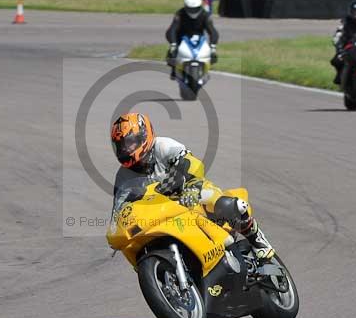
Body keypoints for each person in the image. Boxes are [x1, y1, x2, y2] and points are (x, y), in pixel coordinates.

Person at [110, 112, 275, 262]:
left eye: (130, 142)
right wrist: (116, 232)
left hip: (188, 191)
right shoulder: (123, 176)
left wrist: (191, 187)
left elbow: (191, 164)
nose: (126, 149)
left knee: (221, 202)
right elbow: (120, 209)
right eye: (121, 145)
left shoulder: (164, 146)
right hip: (161, 211)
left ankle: (257, 239)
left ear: (144, 135)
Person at [165, 0, 219, 80]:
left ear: (200, 6)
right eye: (190, 9)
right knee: (172, 53)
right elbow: (172, 29)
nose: (193, 11)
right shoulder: (180, 14)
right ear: (185, 7)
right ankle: (174, 69)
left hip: (199, 36)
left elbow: (212, 31)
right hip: (181, 35)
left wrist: (213, 46)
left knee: (212, 54)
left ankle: (206, 67)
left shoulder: (205, 14)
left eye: (195, 9)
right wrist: (173, 44)